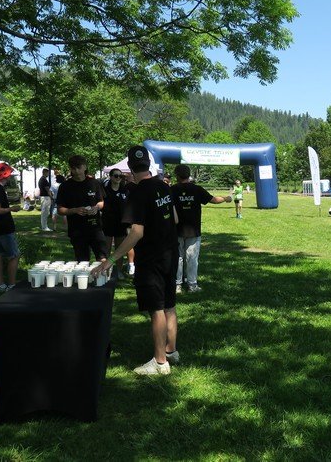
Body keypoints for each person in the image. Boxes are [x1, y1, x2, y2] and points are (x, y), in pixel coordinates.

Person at [93, 145, 179, 375]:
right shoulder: (164, 185)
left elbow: (136, 232)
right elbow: (175, 218)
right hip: (171, 252)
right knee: (169, 305)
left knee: (156, 309)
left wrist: (111, 259)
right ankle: (171, 350)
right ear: (149, 165)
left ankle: (160, 362)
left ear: (130, 167)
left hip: (152, 258)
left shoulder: (138, 193)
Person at [171, 164, 232, 293]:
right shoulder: (197, 189)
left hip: (176, 230)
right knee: (192, 259)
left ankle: (177, 285)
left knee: (177, 258)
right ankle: (192, 285)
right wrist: (226, 198)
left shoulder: (172, 190)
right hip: (193, 230)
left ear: (177, 176)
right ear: (189, 175)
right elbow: (214, 200)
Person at [56, 155, 108, 262]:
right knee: (82, 261)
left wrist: (96, 207)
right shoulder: (65, 186)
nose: (76, 171)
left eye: (79, 167)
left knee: (102, 258)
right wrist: (74, 210)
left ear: (85, 167)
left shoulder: (94, 183)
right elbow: (60, 210)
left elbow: (101, 202)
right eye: (73, 168)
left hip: (95, 228)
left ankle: (104, 273)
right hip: (77, 230)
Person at [0, 163, 21, 292]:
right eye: (10, 173)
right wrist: (11, 209)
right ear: (5, 175)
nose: (11, 176)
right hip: (4, 228)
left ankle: (1, 285)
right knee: (14, 256)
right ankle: (11, 285)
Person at [102, 168, 131, 279]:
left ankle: (118, 271)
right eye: (116, 175)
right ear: (110, 177)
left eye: (120, 176)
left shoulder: (125, 190)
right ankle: (105, 270)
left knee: (119, 249)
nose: (118, 178)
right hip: (107, 222)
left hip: (121, 224)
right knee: (106, 249)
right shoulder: (104, 190)